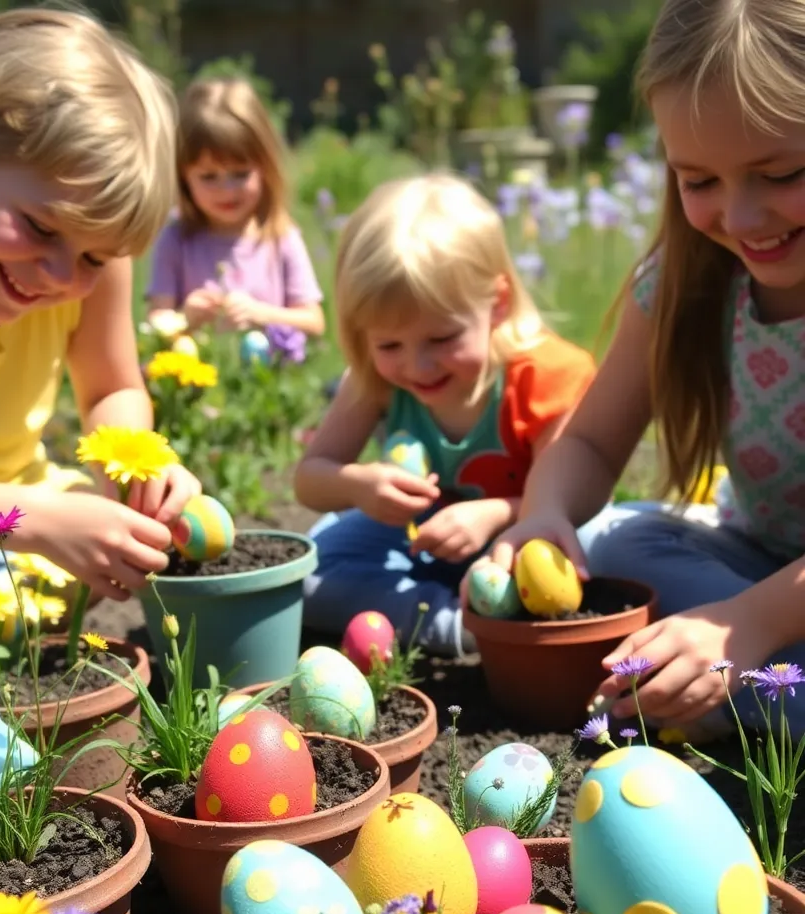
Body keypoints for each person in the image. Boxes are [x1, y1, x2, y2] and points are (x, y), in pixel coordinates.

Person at [487, 0, 805, 737]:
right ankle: (749, 684)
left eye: (782, 172)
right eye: (699, 182)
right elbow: (591, 442)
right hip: (759, 562)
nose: (744, 217)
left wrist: (742, 624)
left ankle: (739, 682)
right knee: (615, 540)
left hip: (761, 601)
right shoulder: (686, 284)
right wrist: (546, 514)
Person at [295, 173, 596, 656]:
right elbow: (309, 478)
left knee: (596, 545)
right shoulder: (374, 379)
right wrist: (359, 486)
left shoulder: (543, 377)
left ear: (496, 304)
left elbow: (572, 501)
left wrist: (494, 513)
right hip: (421, 543)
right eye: (389, 343)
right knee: (309, 571)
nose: (417, 365)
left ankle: (505, 622)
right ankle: (462, 625)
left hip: (524, 546)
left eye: (442, 339)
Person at [0, 7, 200, 602]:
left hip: (20, 512)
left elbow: (110, 391)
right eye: (39, 227)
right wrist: (38, 524)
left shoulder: (88, 262)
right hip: (17, 520)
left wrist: (135, 467)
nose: (60, 274)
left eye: (95, 258)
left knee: (120, 552)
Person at [146, 77, 325, 360]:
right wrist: (184, 318)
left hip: (268, 389)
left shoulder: (280, 236)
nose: (227, 190)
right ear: (183, 177)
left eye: (241, 174)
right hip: (198, 387)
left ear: (265, 167)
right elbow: (154, 324)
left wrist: (261, 314)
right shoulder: (176, 240)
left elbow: (315, 322)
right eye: (208, 177)